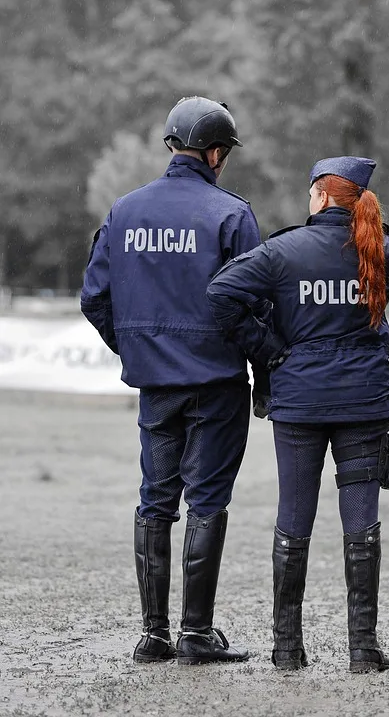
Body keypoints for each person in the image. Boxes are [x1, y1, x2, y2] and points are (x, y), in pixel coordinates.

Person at [207, 156, 389, 672]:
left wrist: (267, 348)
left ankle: (287, 649)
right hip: (364, 404)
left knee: (294, 520)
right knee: (361, 524)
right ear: (358, 202)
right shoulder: (376, 249)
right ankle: (363, 649)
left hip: (299, 405)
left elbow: (220, 292)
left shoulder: (282, 251)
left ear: (319, 196)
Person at [81, 96, 269, 666]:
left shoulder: (123, 210)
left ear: (171, 146)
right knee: (207, 500)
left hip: (155, 385)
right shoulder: (232, 215)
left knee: (155, 501)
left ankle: (153, 634)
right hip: (217, 384)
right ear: (215, 152)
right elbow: (256, 304)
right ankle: (195, 632)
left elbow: (95, 299)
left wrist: (139, 346)